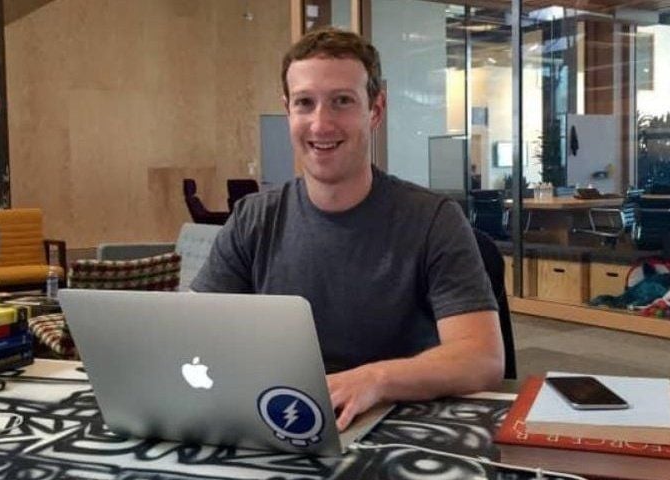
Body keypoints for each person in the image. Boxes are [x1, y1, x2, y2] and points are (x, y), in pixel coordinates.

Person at [192, 28, 504, 431]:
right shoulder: (253, 219)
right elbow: (191, 332)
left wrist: (374, 380)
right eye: (305, 103)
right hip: (280, 420)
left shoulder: (433, 220)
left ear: (375, 110)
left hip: (394, 428)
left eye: (342, 101)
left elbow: (481, 358)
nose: (321, 124)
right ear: (288, 111)